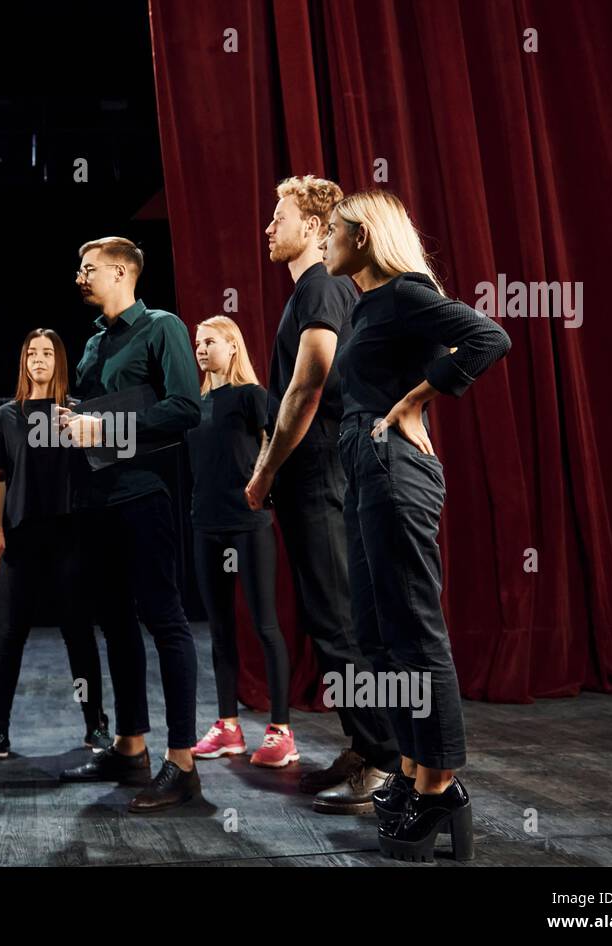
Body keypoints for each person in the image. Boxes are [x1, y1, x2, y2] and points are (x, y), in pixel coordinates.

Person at [319, 189, 510, 861]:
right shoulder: (368, 306)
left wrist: (417, 397)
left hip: (396, 474)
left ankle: (440, 783)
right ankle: (409, 768)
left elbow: (490, 336)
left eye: (333, 233)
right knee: (376, 637)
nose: (324, 243)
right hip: (365, 474)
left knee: (414, 632)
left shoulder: (403, 293)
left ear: (364, 237)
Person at [245, 174, 400, 813]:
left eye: (277, 217)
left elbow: (308, 388)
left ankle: (384, 760)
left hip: (321, 475)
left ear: (312, 227)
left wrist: (263, 469)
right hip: (315, 478)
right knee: (330, 619)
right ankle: (368, 747)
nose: (268, 228)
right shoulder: (314, 289)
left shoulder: (321, 286)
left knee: (339, 623)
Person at [56, 237, 203, 813]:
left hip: (145, 497)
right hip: (97, 503)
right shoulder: (93, 343)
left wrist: (103, 425)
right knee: (114, 623)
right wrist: (72, 418)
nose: (79, 277)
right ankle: (130, 745)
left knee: (164, 620)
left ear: (122, 272)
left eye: (88, 268)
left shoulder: (162, 327)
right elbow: (93, 421)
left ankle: (184, 762)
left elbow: (185, 407)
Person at [0, 328, 111, 759]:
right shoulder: (7, 416)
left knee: (77, 633)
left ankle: (95, 725)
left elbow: (103, 462)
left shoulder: (75, 413)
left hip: (69, 534)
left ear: (59, 362)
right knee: (8, 635)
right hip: (19, 535)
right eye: (31, 352)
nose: (39, 358)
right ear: (24, 362)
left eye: (47, 352)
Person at [187, 316, 297, 769]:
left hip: (247, 525)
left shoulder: (251, 397)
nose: (200, 348)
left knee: (265, 626)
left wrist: (262, 483)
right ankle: (228, 726)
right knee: (220, 630)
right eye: (197, 341)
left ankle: (281, 731)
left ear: (233, 347)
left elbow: (281, 441)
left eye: (210, 341)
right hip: (206, 525)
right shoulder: (196, 404)